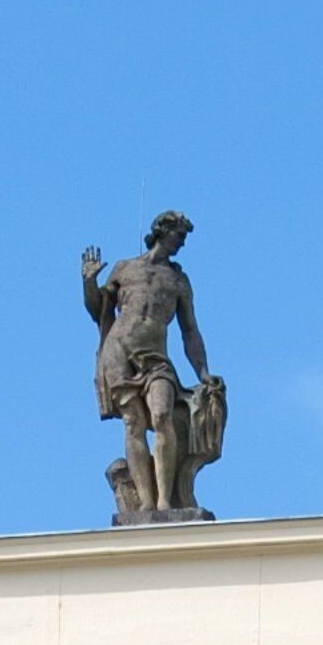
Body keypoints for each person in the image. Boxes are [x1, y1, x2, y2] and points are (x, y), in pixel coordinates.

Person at [83, 211, 220, 518]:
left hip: (157, 359)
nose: (181, 244)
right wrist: (89, 282)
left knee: (161, 415)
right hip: (119, 352)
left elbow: (190, 332)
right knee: (133, 422)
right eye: (179, 236)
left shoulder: (178, 281)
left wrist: (203, 372)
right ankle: (145, 502)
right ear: (162, 231)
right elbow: (98, 311)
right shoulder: (124, 268)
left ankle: (165, 502)